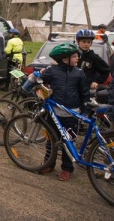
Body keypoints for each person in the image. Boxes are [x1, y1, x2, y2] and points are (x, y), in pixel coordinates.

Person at [36, 43, 90, 181]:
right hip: (54, 113)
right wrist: (38, 77)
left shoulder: (79, 73)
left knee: (69, 141)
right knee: (51, 140)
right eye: (74, 56)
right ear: (64, 58)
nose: (77, 58)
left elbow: (85, 93)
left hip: (72, 114)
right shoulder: (52, 71)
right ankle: (49, 164)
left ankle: (67, 168)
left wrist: (85, 112)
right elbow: (39, 81)